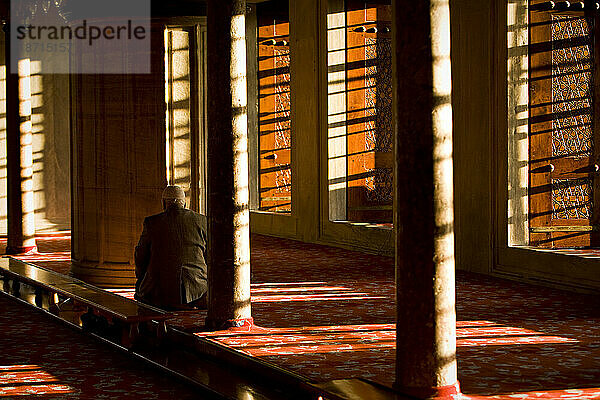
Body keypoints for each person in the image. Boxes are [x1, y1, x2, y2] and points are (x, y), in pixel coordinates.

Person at [134, 185, 208, 310]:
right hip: (196, 289)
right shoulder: (202, 221)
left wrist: (142, 280)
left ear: (163, 203)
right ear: (185, 203)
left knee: (142, 295)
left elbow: (140, 256)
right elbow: (211, 256)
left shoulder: (152, 222)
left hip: (159, 290)